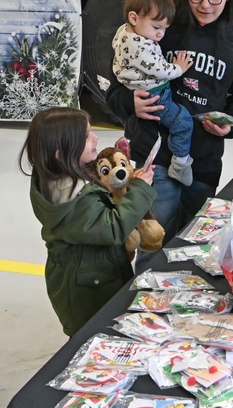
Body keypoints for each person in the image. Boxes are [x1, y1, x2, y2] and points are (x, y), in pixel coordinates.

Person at [105, 0, 233, 248]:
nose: (206, 5)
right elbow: (113, 87)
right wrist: (131, 103)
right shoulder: (161, 27)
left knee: (194, 249)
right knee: (154, 246)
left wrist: (231, 125)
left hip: (203, 164)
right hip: (155, 160)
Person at [19, 106, 155, 337]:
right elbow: (113, 227)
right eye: (86, 136)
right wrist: (140, 189)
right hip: (89, 287)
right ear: (61, 153)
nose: (96, 137)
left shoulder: (55, 173)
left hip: (93, 275)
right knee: (97, 334)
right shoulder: (73, 196)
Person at [112, 0, 196, 185]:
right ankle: (180, 166)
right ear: (134, 18)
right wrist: (179, 67)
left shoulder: (123, 31)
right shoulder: (142, 46)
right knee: (183, 123)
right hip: (155, 96)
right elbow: (161, 70)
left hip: (135, 87)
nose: (161, 35)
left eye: (165, 29)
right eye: (156, 28)